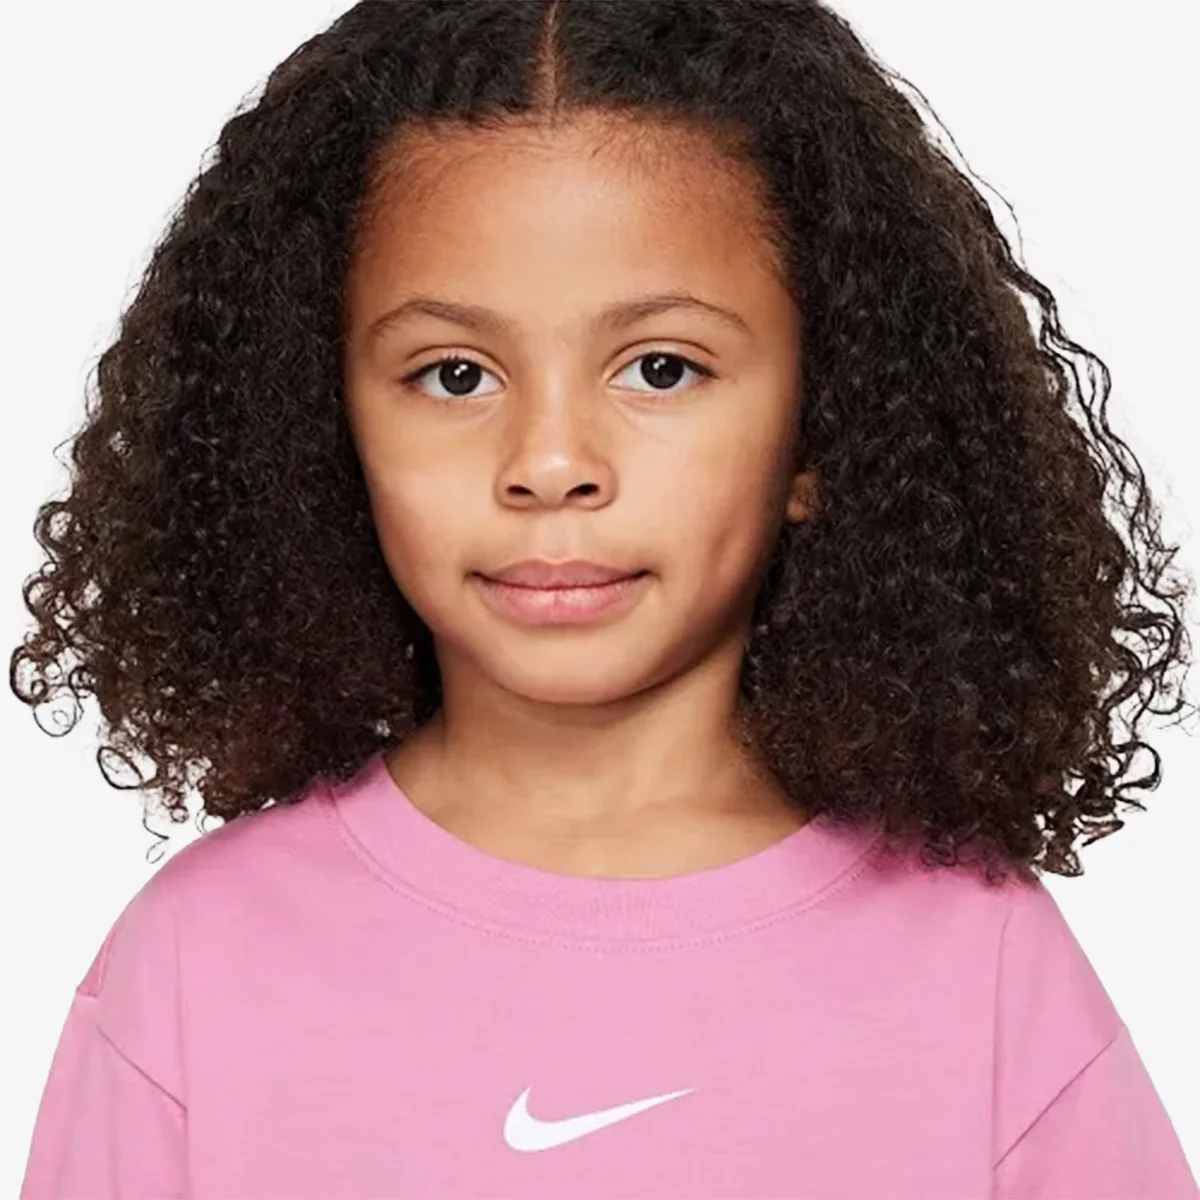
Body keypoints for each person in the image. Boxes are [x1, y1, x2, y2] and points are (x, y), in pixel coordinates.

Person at [12, 0, 1198, 1196]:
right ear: (325, 427)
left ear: (821, 431)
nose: (550, 461)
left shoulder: (983, 972)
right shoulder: (199, 968)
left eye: (661, 368)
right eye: (455, 375)